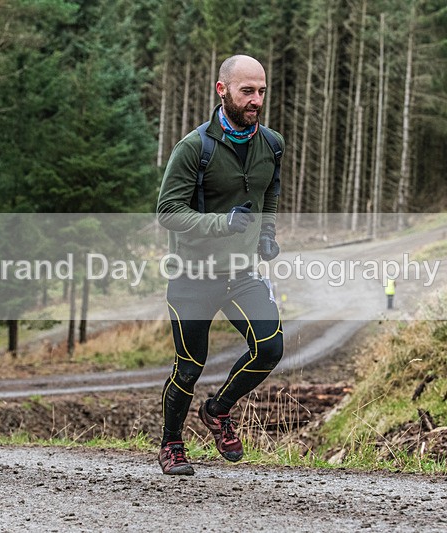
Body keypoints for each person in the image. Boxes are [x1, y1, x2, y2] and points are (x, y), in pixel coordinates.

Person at [155, 54, 285, 475]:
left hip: (241, 274)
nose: (256, 100)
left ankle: (218, 409)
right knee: (189, 366)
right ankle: (172, 443)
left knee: (269, 348)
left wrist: (266, 234)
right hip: (192, 277)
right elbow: (168, 211)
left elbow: (270, 191)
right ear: (222, 89)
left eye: (262, 91)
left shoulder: (272, 143)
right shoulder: (195, 148)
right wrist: (222, 223)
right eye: (247, 91)